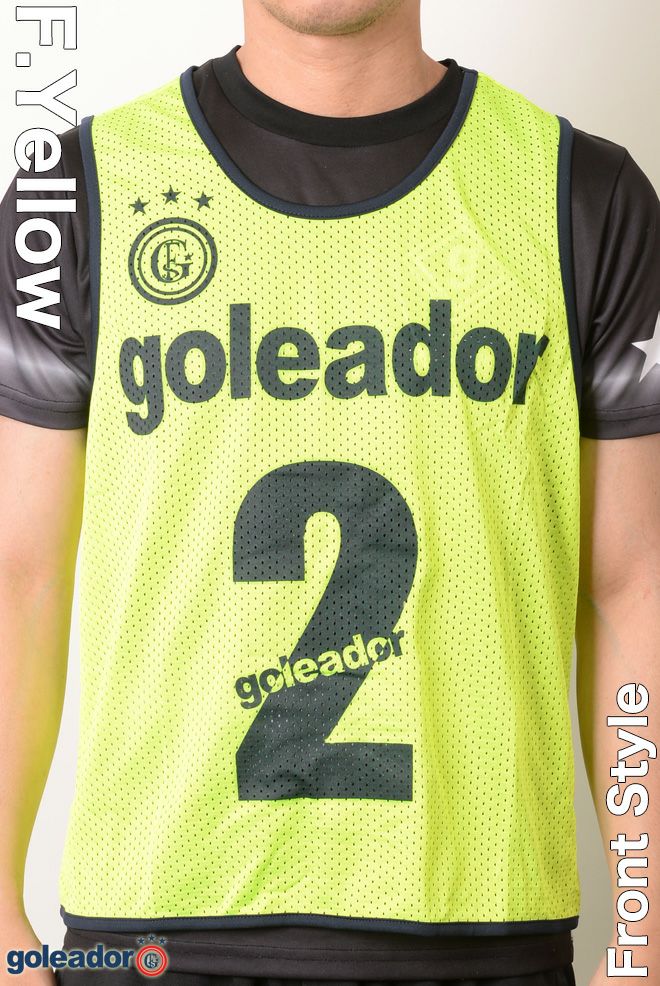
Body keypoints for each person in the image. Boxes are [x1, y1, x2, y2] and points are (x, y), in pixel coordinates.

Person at [1, 1, 659, 984]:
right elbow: (19, 577)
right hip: (149, 939)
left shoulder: (582, 195)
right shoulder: (76, 192)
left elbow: (632, 588)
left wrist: (643, 927)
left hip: (481, 935)